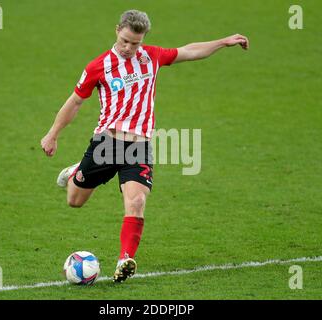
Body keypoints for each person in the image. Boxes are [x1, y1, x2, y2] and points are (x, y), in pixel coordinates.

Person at [41, 9, 249, 283]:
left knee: (137, 201)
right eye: (125, 40)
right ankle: (77, 171)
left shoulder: (151, 57)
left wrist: (223, 42)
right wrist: (53, 134)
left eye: (135, 43)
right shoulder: (98, 66)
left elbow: (188, 51)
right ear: (117, 30)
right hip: (106, 144)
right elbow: (75, 102)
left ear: (143, 40)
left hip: (138, 147)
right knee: (75, 201)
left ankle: (124, 259)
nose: (128, 47)